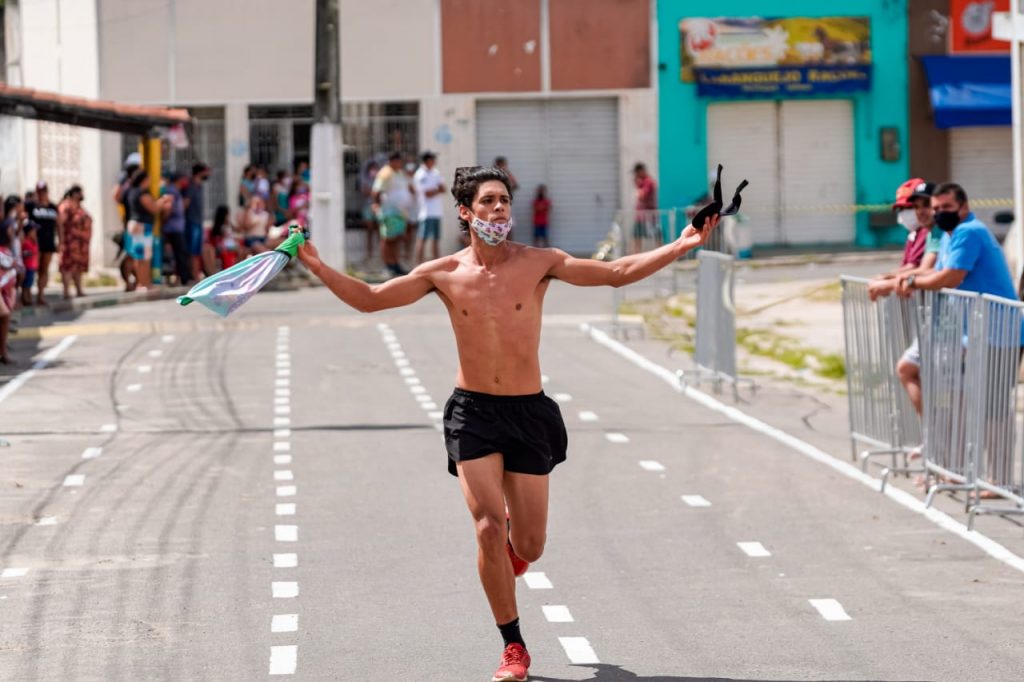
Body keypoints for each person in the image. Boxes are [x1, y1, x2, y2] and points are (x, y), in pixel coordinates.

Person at [296, 165, 719, 682]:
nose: (499, 209)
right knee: (487, 528)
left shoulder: (539, 262)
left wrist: (681, 244)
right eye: (489, 201)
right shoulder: (443, 273)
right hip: (473, 414)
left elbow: (615, 271)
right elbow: (371, 299)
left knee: (530, 545)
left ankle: (514, 552)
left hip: (527, 413)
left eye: (504, 200)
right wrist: (318, 266)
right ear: (465, 211)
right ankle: (513, 645)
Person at [896, 182, 1020, 414]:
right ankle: (941, 437)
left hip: (998, 333)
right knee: (967, 403)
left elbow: (949, 278)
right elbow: (935, 272)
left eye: (947, 207)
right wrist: (904, 279)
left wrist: (912, 283)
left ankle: (964, 438)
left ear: (963, 207)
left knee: (992, 411)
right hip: (974, 333)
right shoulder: (949, 235)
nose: (940, 213)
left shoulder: (969, 231)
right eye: (936, 208)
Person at [868, 179, 938, 303]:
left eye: (907, 208)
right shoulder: (925, 233)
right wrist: (891, 279)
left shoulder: (937, 231)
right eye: (916, 206)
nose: (920, 211)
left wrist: (890, 281)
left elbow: (930, 271)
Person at [125, 169, 173, 290]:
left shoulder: (132, 191)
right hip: (142, 226)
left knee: (140, 256)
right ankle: (144, 283)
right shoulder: (141, 193)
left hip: (137, 226)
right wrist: (164, 200)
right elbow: (153, 208)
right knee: (143, 257)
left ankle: (142, 283)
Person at [372, 151, 415, 277]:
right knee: (388, 239)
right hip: (389, 212)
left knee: (396, 239)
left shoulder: (399, 173)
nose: (400, 163)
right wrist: (377, 205)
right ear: (392, 161)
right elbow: (376, 191)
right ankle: (388, 266)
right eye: (398, 161)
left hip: (399, 212)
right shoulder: (385, 173)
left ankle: (396, 264)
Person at [25, 181, 61, 306]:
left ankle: (41, 295)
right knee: (32, 268)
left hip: (48, 242)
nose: (41, 194)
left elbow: (59, 225)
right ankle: (28, 294)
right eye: (39, 192)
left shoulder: (53, 207)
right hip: (34, 244)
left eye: (43, 191)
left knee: (44, 269)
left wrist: (60, 242)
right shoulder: (31, 206)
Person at [56, 185, 93, 298]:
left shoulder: (79, 207)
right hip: (69, 242)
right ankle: (66, 291)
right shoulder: (66, 206)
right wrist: (61, 240)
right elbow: (60, 223)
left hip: (81, 244)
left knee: (78, 267)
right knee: (67, 266)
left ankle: (79, 290)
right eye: (80, 193)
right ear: (75, 193)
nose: (82, 195)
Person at [413, 151, 445, 263]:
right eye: (432, 159)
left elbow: (443, 188)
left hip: (437, 212)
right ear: (427, 161)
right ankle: (418, 264)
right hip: (426, 213)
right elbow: (427, 193)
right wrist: (437, 189)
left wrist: (435, 190)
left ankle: (437, 264)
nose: (434, 162)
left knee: (436, 239)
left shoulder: (436, 172)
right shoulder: (420, 174)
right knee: (422, 239)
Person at [160, 172, 191, 286]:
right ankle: (183, 277)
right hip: (172, 228)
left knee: (180, 253)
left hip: (176, 228)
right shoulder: (172, 191)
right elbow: (168, 208)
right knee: (177, 254)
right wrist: (163, 221)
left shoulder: (176, 191)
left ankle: (182, 277)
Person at [183, 163, 211, 282]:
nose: (208, 174)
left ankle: (196, 275)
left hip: (198, 222)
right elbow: (185, 203)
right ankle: (193, 276)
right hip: (191, 222)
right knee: (193, 251)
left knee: (197, 251)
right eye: (206, 171)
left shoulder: (199, 186)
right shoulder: (191, 186)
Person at [632, 162, 657, 254]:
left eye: (637, 173)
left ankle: (662, 256)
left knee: (657, 235)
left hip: (648, 215)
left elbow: (642, 196)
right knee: (637, 236)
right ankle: (636, 256)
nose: (636, 175)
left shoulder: (648, 182)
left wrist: (639, 186)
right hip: (640, 216)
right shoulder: (643, 182)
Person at [208, 205, 238, 271]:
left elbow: (236, 232)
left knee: (243, 251)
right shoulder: (220, 227)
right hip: (223, 245)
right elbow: (219, 239)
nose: (229, 217)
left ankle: (238, 269)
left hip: (229, 245)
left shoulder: (229, 225)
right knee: (240, 250)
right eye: (228, 215)